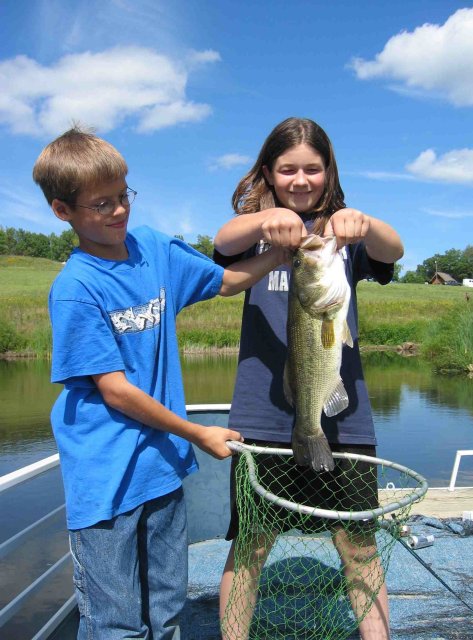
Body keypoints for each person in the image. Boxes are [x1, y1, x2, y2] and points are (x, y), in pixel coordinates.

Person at [32, 126, 287, 640]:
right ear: (63, 212)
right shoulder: (76, 288)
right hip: (105, 480)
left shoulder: (152, 249)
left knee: (168, 611)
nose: (119, 211)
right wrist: (198, 433)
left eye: (123, 195)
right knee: (115, 623)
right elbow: (115, 391)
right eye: (101, 204)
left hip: (163, 469)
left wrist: (285, 252)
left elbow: (229, 281)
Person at [213, 117, 404, 640]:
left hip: (346, 421)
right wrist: (263, 221)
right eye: (287, 169)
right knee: (250, 546)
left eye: (312, 169)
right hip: (262, 418)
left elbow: (393, 250)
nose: (301, 180)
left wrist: (362, 223)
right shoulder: (258, 233)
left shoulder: (341, 238)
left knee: (360, 547)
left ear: (329, 171)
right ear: (269, 174)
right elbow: (223, 241)